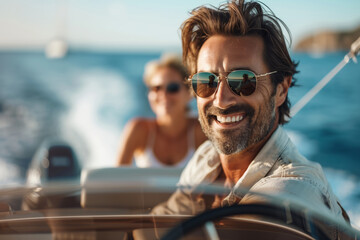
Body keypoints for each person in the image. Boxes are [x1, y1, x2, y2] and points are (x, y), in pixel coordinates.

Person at [151, 0, 350, 236]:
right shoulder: (206, 161)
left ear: (281, 90)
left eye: (243, 80)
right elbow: (154, 229)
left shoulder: (292, 191)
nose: (221, 100)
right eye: (206, 82)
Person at [116, 54, 207, 168]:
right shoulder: (138, 130)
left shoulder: (201, 132)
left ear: (189, 93)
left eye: (172, 88)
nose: (163, 95)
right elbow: (116, 180)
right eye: (156, 88)